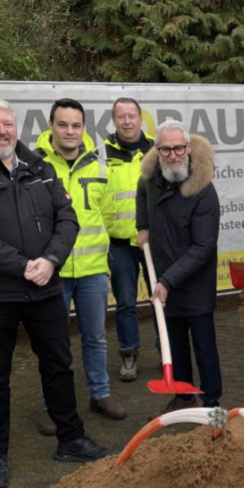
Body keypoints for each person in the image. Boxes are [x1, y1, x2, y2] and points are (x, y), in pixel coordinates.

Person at [0, 98, 111, 488]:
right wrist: (22, 264)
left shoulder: (39, 167)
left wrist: (51, 259)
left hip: (44, 287)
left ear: (17, 128)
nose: (1, 131)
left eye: (8, 124)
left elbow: (67, 219)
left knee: (58, 365)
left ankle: (71, 439)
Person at [35, 99, 127, 426]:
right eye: (63, 124)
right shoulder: (35, 168)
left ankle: (100, 394)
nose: (70, 131)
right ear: (51, 126)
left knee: (96, 338)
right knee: (52, 342)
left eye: (76, 125)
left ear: (84, 128)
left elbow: (109, 216)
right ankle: (51, 405)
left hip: (92, 273)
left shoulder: (101, 169)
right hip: (52, 272)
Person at [135, 119, 222, 412]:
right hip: (163, 277)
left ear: (188, 148)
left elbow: (204, 247)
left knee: (203, 346)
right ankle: (184, 397)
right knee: (173, 343)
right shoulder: (151, 180)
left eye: (178, 148)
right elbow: (141, 194)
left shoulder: (204, 192)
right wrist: (142, 225)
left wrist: (168, 281)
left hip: (193, 282)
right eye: (166, 149)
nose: (173, 155)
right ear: (157, 151)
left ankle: (212, 402)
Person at [103, 97, 158, 383]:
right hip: (119, 243)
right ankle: (129, 353)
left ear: (140, 118)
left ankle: (167, 351)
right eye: (121, 116)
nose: (127, 121)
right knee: (125, 302)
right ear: (114, 120)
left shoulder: (156, 151)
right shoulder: (102, 152)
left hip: (153, 241)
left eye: (132, 116)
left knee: (161, 299)